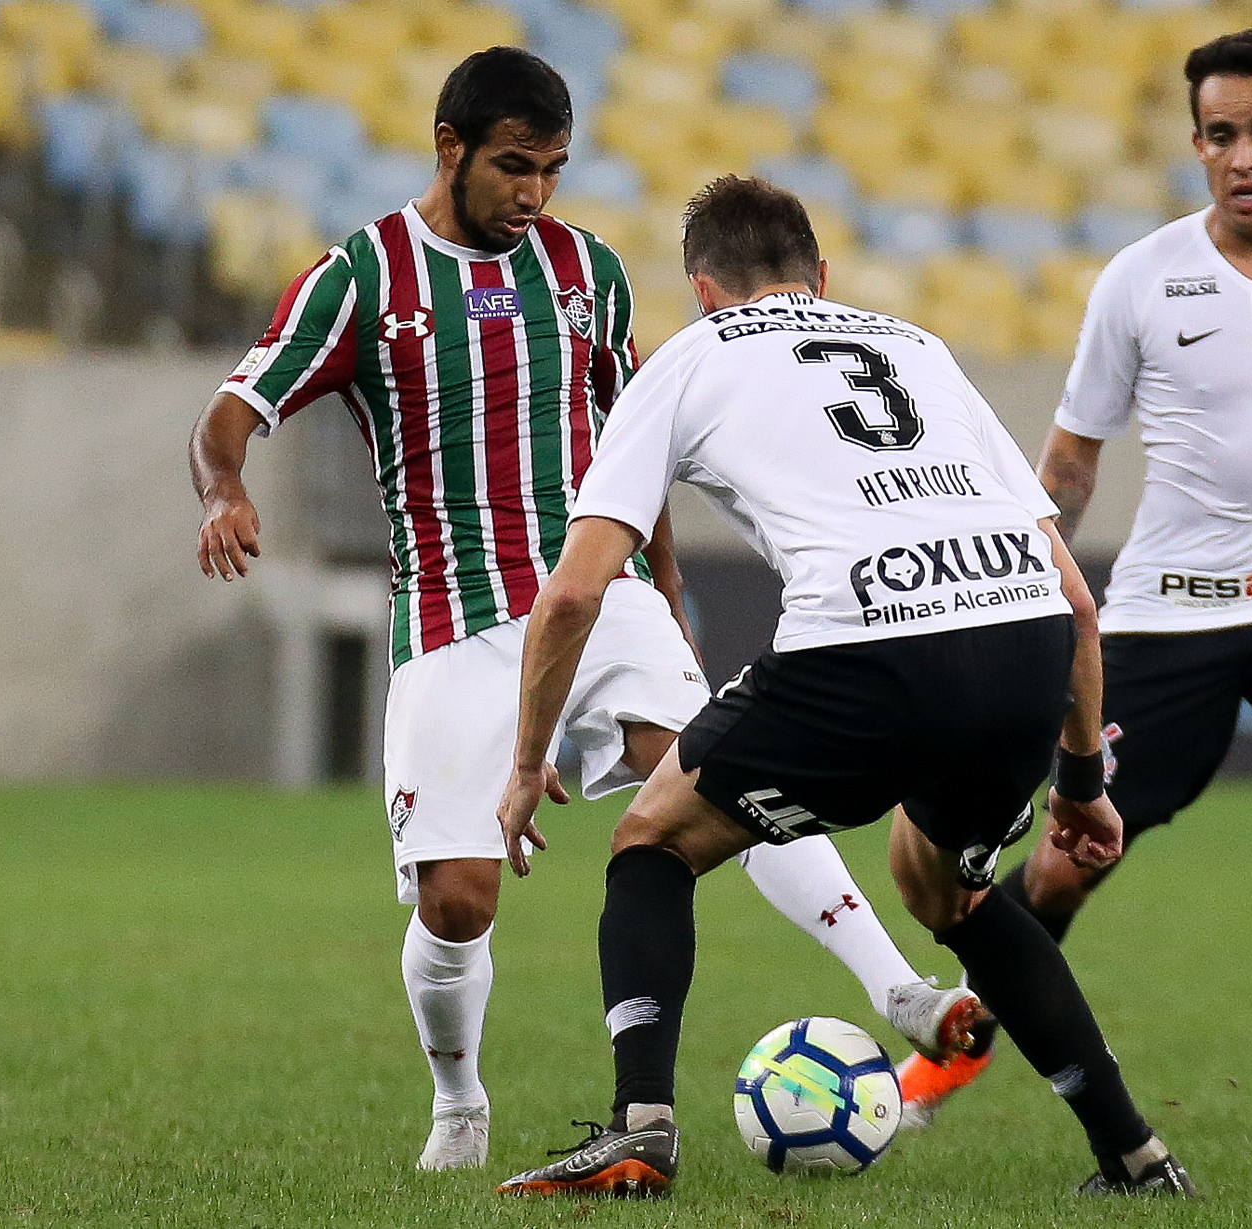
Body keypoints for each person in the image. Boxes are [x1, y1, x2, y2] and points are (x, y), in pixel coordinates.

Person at [187, 48, 968, 1173]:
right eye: (514, 167)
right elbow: (233, 407)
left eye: (552, 168)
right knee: (457, 901)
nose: (534, 193)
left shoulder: (585, 270)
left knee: (714, 776)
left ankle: (896, 987)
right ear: (449, 147)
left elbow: (633, 446)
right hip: (457, 621)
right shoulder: (359, 275)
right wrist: (225, 488)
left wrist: (669, 588)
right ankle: (458, 1100)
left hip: (599, 598)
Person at [490, 176, 1195, 1199]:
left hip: (864, 649)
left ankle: (638, 1125)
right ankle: (1134, 1154)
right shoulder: (916, 347)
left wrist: (524, 763)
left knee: (652, 840)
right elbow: (1074, 597)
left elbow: (572, 594)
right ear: (821, 277)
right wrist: (1082, 776)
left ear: (701, 289)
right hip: (1018, 639)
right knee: (946, 885)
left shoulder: (686, 359)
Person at [899, 29, 1252, 1143]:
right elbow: (1070, 461)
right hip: (1168, 611)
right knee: (1068, 862)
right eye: (1220, 136)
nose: (1242, 156)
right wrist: (1013, 592)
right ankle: (953, 1050)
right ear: (1197, 145)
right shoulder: (1139, 281)